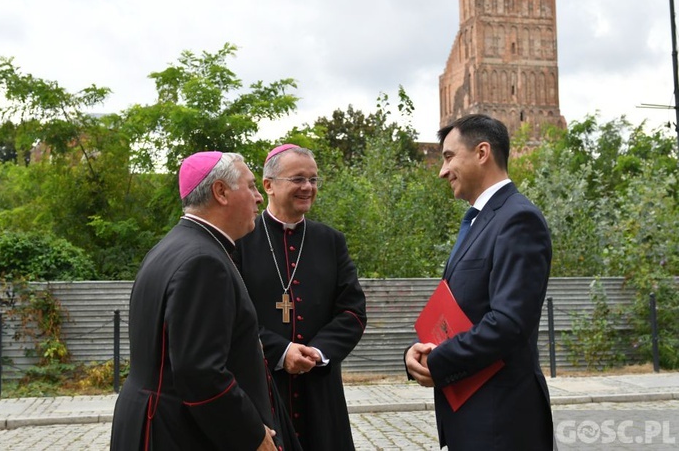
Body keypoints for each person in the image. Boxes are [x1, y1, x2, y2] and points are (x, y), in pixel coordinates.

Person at [111, 151, 300, 451]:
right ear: (221, 192)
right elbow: (200, 371)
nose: (259, 198)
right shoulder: (203, 261)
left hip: (153, 419)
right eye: (250, 186)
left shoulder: (174, 245)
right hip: (177, 431)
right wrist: (251, 433)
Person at [404, 114, 555, 450]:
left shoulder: (518, 219)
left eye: (448, 157)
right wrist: (418, 353)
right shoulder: (479, 220)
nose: (442, 171)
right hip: (471, 414)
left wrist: (439, 362)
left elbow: (509, 322)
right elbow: (464, 309)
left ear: (482, 152)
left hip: (501, 421)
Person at [235, 144, 367, 451]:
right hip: (262, 384)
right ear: (268, 185)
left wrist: (317, 353)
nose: (308, 187)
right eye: (298, 179)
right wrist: (281, 351)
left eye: (313, 179)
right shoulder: (241, 239)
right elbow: (232, 316)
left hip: (319, 388)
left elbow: (353, 312)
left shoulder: (330, 240)